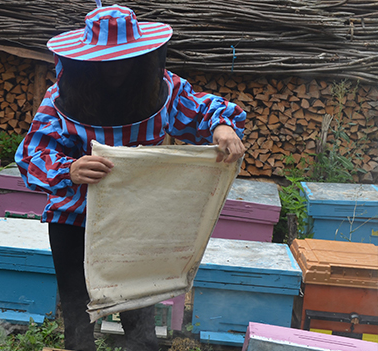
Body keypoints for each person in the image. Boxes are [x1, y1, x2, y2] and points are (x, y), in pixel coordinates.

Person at [15, 4, 247, 351]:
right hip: (74, 221)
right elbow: (31, 155)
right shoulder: (59, 98)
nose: (117, 68)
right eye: (107, 60)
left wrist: (222, 125)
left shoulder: (165, 90)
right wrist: (70, 169)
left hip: (137, 222)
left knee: (140, 328)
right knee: (79, 325)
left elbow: (202, 110)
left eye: (125, 58)